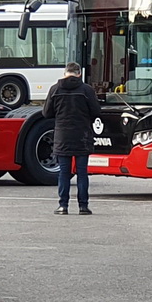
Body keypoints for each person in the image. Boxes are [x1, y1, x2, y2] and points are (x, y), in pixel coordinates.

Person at [42, 62, 101, 215]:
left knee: (64, 172)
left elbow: (46, 113)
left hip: (62, 136)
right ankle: (83, 206)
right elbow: (96, 111)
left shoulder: (55, 89)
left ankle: (63, 206)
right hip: (82, 135)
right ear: (79, 73)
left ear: (65, 73)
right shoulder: (87, 90)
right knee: (82, 172)